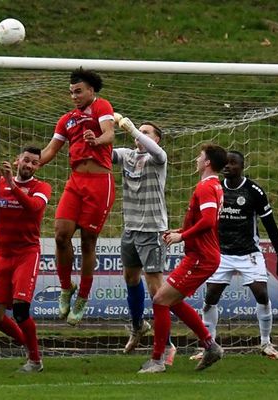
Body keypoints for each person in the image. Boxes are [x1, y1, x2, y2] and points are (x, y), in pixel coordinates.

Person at [138, 143, 227, 373]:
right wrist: (180, 230)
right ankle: (210, 346)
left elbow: (208, 221)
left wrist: (181, 236)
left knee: (160, 300)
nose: (197, 159)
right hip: (201, 254)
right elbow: (205, 220)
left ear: (207, 162)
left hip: (201, 257)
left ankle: (158, 361)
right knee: (171, 301)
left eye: (200, 156)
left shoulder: (207, 187)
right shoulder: (214, 186)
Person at [193, 151, 278, 360]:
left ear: (242, 166)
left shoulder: (253, 190)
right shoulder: (214, 188)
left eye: (233, 163)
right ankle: (209, 346)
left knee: (262, 295)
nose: (228, 167)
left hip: (249, 253)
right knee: (210, 298)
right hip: (220, 253)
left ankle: (265, 343)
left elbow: (270, 225)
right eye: (225, 164)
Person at [39, 68, 116, 326]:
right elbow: (50, 150)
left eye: (79, 91)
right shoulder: (67, 120)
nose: (74, 96)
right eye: (71, 92)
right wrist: (28, 163)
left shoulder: (101, 106)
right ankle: (65, 287)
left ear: (91, 91)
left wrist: (96, 140)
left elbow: (110, 133)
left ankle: (83, 296)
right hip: (76, 182)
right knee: (61, 234)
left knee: (88, 242)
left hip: (99, 183)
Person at [111, 117, 175, 364]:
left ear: (155, 138)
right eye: (140, 131)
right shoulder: (127, 155)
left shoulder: (158, 158)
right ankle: (138, 326)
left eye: (147, 132)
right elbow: (104, 154)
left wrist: (133, 129)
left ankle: (167, 344)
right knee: (130, 278)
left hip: (152, 230)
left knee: (157, 289)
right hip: (130, 228)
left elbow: (157, 152)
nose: (140, 135)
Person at [0, 146, 52, 373]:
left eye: (34, 162)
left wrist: (11, 186)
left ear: (39, 166)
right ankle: (29, 344)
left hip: (27, 254)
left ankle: (34, 361)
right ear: (17, 161)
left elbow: (33, 207)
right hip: (2, 254)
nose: (29, 165)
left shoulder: (42, 187)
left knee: (21, 311)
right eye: (26, 160)